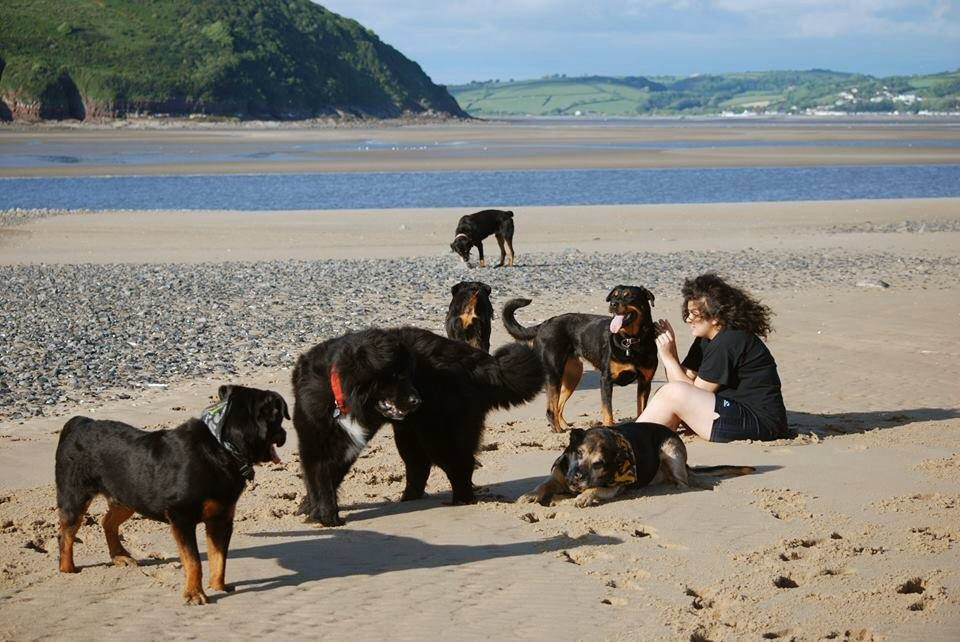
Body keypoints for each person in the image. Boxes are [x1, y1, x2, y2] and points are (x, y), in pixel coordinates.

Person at [636, 273, 789, 442]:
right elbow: (683, 382)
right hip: (732, 412)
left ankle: (631, 440)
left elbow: (693, 392)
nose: (688, 319)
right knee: (665, 394)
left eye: (694, 314)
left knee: (672, 393)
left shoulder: (730, 340)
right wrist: (670, 354)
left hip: (761, 423)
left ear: (715, 317)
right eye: (688, 313)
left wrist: (669, 357)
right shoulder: (706, 339)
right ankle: (640, 437)